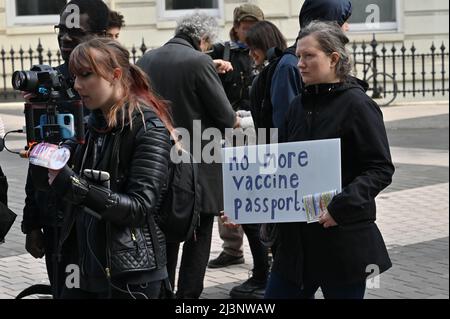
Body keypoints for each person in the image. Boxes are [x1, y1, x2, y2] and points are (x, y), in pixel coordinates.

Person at [265, 20, 394, 299]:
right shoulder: (297, 106)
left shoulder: (358, 106)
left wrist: (340, 208)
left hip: (342, 240)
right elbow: (283, 165)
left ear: (334, 58)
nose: (299, 63)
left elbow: (379, 168)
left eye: (309, 56)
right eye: (298, 56)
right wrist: (247, 207)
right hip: (295, 246)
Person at [46, 37, 173, 299]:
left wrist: (75, 185)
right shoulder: (91, 124)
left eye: (86, 75)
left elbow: (139, 207)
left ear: (115, 75)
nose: (78, 85)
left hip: (132, 272)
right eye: (74, 76)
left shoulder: (148, 128)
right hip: (85, 265)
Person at [137, 13, 238, 299]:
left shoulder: (147, 59)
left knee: (165, 236)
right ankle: (188, 298)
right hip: (198, 167)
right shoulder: (200, 61)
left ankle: (162, 294)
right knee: (199, 235)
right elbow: (225, 117)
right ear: (203, 39)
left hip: (157, 161)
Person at [21, 0, 110, 298]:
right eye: (61, 31)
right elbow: (37, 156)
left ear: (103, 35)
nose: (65, 39)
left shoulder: (122, 85)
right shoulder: (48, 83)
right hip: (58, 221)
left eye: (75, 32)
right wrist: (32, 223)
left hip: (105, 220)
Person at [207, 3, 264, 271]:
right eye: (245, 27)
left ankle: (265, 250)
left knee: (255, 185)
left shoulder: (264, 52)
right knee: (227, 187)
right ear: (237, 27)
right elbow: (198, 66)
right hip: (227, 127)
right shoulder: (221, 50)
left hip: (255, 126)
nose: (249, 31)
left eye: (254, 27)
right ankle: (232, 249)